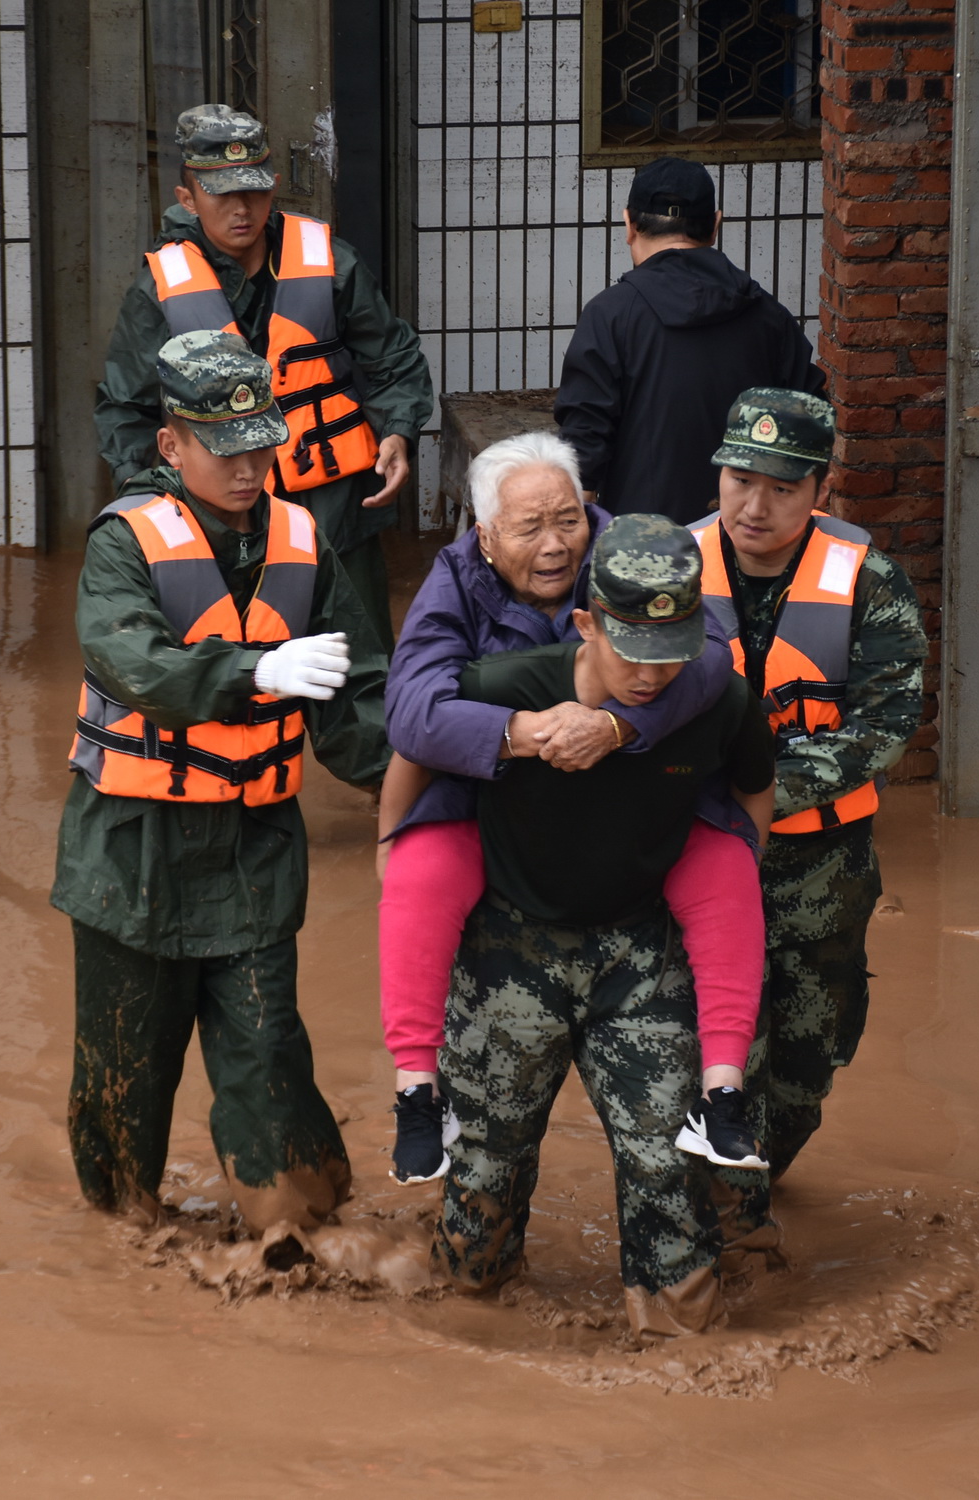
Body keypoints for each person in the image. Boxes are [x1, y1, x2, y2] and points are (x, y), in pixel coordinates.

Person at [53, 329, 391, 1231]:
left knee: (269, 1053)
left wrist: (443, 774)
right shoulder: (127, 543)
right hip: (133, 854)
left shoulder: (302, 538)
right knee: (125, 1073)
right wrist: (253, 673)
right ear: (171, 446)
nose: (249, 467)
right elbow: (129, 659)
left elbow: (358, 703)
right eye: (223, 446)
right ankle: (122, 1235)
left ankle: (299, 1228)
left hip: (252, 853)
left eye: (261, 444)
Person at [372, 432, 768, 1187]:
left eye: (569, 519)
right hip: (499, 802)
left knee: (722, 870)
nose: (556, 546)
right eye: (530, 528)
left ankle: (724, 1098)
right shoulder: (455, 585)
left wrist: (619, 725)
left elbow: (712, 659)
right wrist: (520, 733)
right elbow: (413, 719)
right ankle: (416, 1094)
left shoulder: (634, 556)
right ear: (484, 535)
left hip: (640, 805)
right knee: (422, 873)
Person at [432, 515, 776, 1339]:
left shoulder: (715, 697)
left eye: (671, 650)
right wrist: (395, 855)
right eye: (632, 650)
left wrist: (731, 878)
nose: (653, 674)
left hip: (640, 947)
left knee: (667, 1156)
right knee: (486, 1157)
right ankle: (469, 1317)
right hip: (512, 946)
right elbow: (414, 744)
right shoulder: (505, 686)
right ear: (585, 623)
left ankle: (681, 1339)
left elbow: (754, 789)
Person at [685, 389, 928, 1257]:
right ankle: (728, 1231)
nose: (754, 505)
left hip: (822, 865)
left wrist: (765, 788)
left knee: (806, 1059)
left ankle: (755, 1173)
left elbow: (889, 719)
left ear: (819, 490)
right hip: (700, 856)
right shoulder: (666, 572)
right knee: (720, 1050)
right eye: (740, 478)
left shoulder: (871, 583)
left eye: (781, 488)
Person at [95, 104, 434, 643]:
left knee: (358, 674)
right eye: (221, 194)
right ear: (188, 198)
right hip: (217, 521)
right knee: (236, 669)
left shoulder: (332, 265)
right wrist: (148, 501)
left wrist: (398, 430)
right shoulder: (158, 292)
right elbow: (125, 408)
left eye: (253, 190)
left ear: (273, 185)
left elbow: (393, 358)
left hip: (333, 507)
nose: (242, 209)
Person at [553, 156, 824, 525]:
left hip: (642, 551)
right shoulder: (767, 316)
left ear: (628, 224)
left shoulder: (610, 315)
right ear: (715, 225)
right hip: (747, 542)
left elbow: (583, 452)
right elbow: (810, 427)